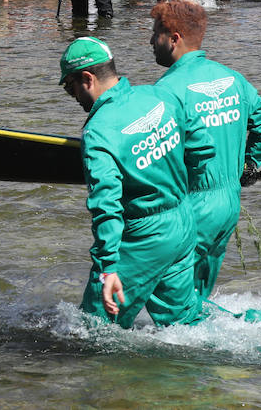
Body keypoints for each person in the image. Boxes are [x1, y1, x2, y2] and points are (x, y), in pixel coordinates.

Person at [60, 36, 215, 329]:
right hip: (182, 223)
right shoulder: (159, 96)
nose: (73, 97)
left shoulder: (99, 133)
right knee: (185, 326)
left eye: (71, 88)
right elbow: (202, 149)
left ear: (87, 78)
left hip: (144, 238)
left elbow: (106, 204)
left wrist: (108, 268)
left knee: (92, 330)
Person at [149, 0, 261, 304]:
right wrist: (249, 165)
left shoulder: (166, 90)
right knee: (198, 293)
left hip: (192, 205)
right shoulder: (232, 78)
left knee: (167, 299)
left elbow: (158, 155)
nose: (150, 41)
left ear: (174, 38)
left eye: (155, 33)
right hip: (228, 204)